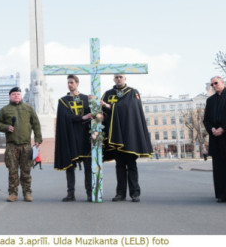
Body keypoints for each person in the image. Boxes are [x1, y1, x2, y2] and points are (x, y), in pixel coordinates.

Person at [100, 74, 153, 203]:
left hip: (129, 135)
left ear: (125, 79)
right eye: (116, 77)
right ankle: (120, 193)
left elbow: (130, 108)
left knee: (131, 165)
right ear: (113, 79)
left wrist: (110, 106)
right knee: (119, 166)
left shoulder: (132, 92)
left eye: (121, 77)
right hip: (115, 137)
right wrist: (101, 112)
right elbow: (102, 113)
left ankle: (135, 193)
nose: (118, 79)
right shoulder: (107, 94)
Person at [0, 86, 42, 202]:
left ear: (21, 96)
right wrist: (6, 127)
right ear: (10, 96)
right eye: (14, 94)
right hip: (12, 145)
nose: (16, 96)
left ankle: (27, 193)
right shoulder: (5, 110)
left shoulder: (28, 109)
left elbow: (36, 124)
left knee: (26, 171)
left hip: (26, 145)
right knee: (12, 170)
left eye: (18, 94)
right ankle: (13, 193)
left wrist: (38, 139)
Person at [54, 75, 93, 202]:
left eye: (72, 82)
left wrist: (95, 104)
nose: (69, 84)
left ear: (77, 83)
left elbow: (95, 114)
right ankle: (71, 193)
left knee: (88, 166)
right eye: (68, 82)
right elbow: (65, 117)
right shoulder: (63, 101)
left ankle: (89, 192)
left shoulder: (86, 98)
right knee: (70, 167)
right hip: (70, 137)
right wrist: (82, 117)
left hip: (85, 136)